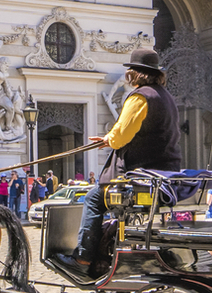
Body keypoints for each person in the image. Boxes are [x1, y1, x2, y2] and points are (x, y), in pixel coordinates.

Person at [59, 49, 183, 274]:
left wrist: (109, 139)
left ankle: (83, 259)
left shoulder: (140, 97)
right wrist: (110, 140)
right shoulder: (166, 97)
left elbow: (121, 136)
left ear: (135, 74)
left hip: (140, 175)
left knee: (94, 198)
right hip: (165, 173)